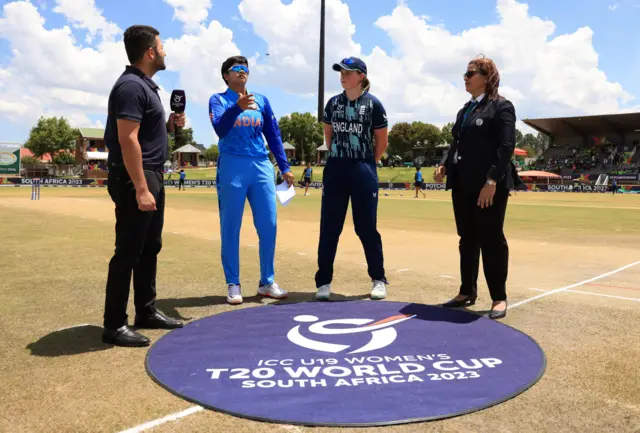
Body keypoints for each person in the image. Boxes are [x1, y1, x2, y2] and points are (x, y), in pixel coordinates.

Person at [102, 25, 185, 347]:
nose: (165, 51)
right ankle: (114, 324)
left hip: (152, 173)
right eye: (162, 46)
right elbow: (127, 138)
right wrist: (140, 187)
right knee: (128, 250)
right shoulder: (130, 87)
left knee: (150, 246)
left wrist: (168, 125)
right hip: (135, 176)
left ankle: (146, 311)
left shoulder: (147, 88)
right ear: (150, 51)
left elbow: (144, 133)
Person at [434, 55, 518, 320]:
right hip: (463, 184)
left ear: (487, 77)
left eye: (471, 74)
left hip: (489, 186)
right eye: (465, 74)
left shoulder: (501, 107)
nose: (465, 78)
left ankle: (498, 297)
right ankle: (466, 291)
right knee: (467, 239)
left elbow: (505, 148)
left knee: (491, 239)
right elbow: (456, 144)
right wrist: (444, 164)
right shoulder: (465, 110)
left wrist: (491, 181)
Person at [209, 55, 294, 305]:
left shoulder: (262, 101)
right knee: (231, 227)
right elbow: (220, 129)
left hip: (261, 165)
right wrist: (237, 106)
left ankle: (267, 282)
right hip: (232, 165)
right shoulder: (218, 100)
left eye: (245, 68)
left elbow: (273, 134)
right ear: (226, 75)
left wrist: (284, 166)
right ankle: (233, 283)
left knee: (269, 224)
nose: (241, 72)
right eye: (236, 69)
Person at [315, 56, 389, 301]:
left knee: (366, 227)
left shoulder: (374, 105)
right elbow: (329, 136)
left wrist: (366, 162)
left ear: (361, 76)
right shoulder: (333, 103)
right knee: (330, 227)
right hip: (336, 167)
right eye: (341, 72)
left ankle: (378, 279)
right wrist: (341, 154)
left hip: (363, 168)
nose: (343, 75)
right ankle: (323, 282)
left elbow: (382, 141)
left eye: (348, 72)